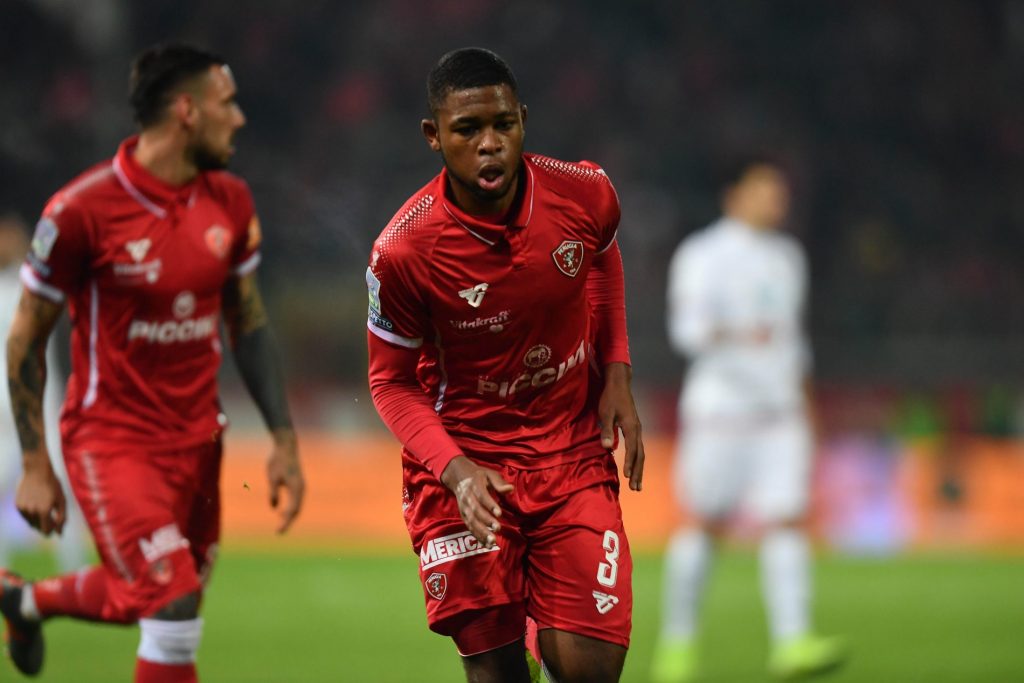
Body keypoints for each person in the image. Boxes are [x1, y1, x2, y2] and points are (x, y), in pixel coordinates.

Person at [0, 44, 304, 682]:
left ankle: (24, 602)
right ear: (187, 111)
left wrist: (282, 437)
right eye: (227, 103)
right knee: (171, 600)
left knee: (153, 591)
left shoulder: (231, 201)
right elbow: (24, 337)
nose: (240, 118)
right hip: (112, 441)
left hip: (198, 440)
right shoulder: (80, 212)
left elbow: (247, 323)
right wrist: (34, 463)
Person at [366, 48, 645, 683]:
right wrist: (455, 470)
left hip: (570, 449)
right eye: (467, 130)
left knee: (591, 671)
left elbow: (602, 251)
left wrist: (617, 371)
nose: (489, 144)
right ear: (433, 135)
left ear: (523, 119)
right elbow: (390, 383)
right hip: (468, 462)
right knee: (497, 672)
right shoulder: (403, 251)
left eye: (503, 125)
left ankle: (540, 624)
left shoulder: (584, 191)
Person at [651, 157, 845, 681]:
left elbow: (794, 341)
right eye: (765, 189)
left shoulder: (788, 256)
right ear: (734, 194)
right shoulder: (703, 254)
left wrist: (808, 408)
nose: (776, 200)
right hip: (722, 414)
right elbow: (686, 332)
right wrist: (741, 335)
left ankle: (793, 642)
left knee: (787, 519)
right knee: (702, 524)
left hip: (780, 415)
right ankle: (677, 644)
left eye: (779, 191)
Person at [0, 214, 88, 574]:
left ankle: (76, 572)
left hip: (37, 410)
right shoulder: (27, 288)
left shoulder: (30, 287)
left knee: (60, 492)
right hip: (16, 413)